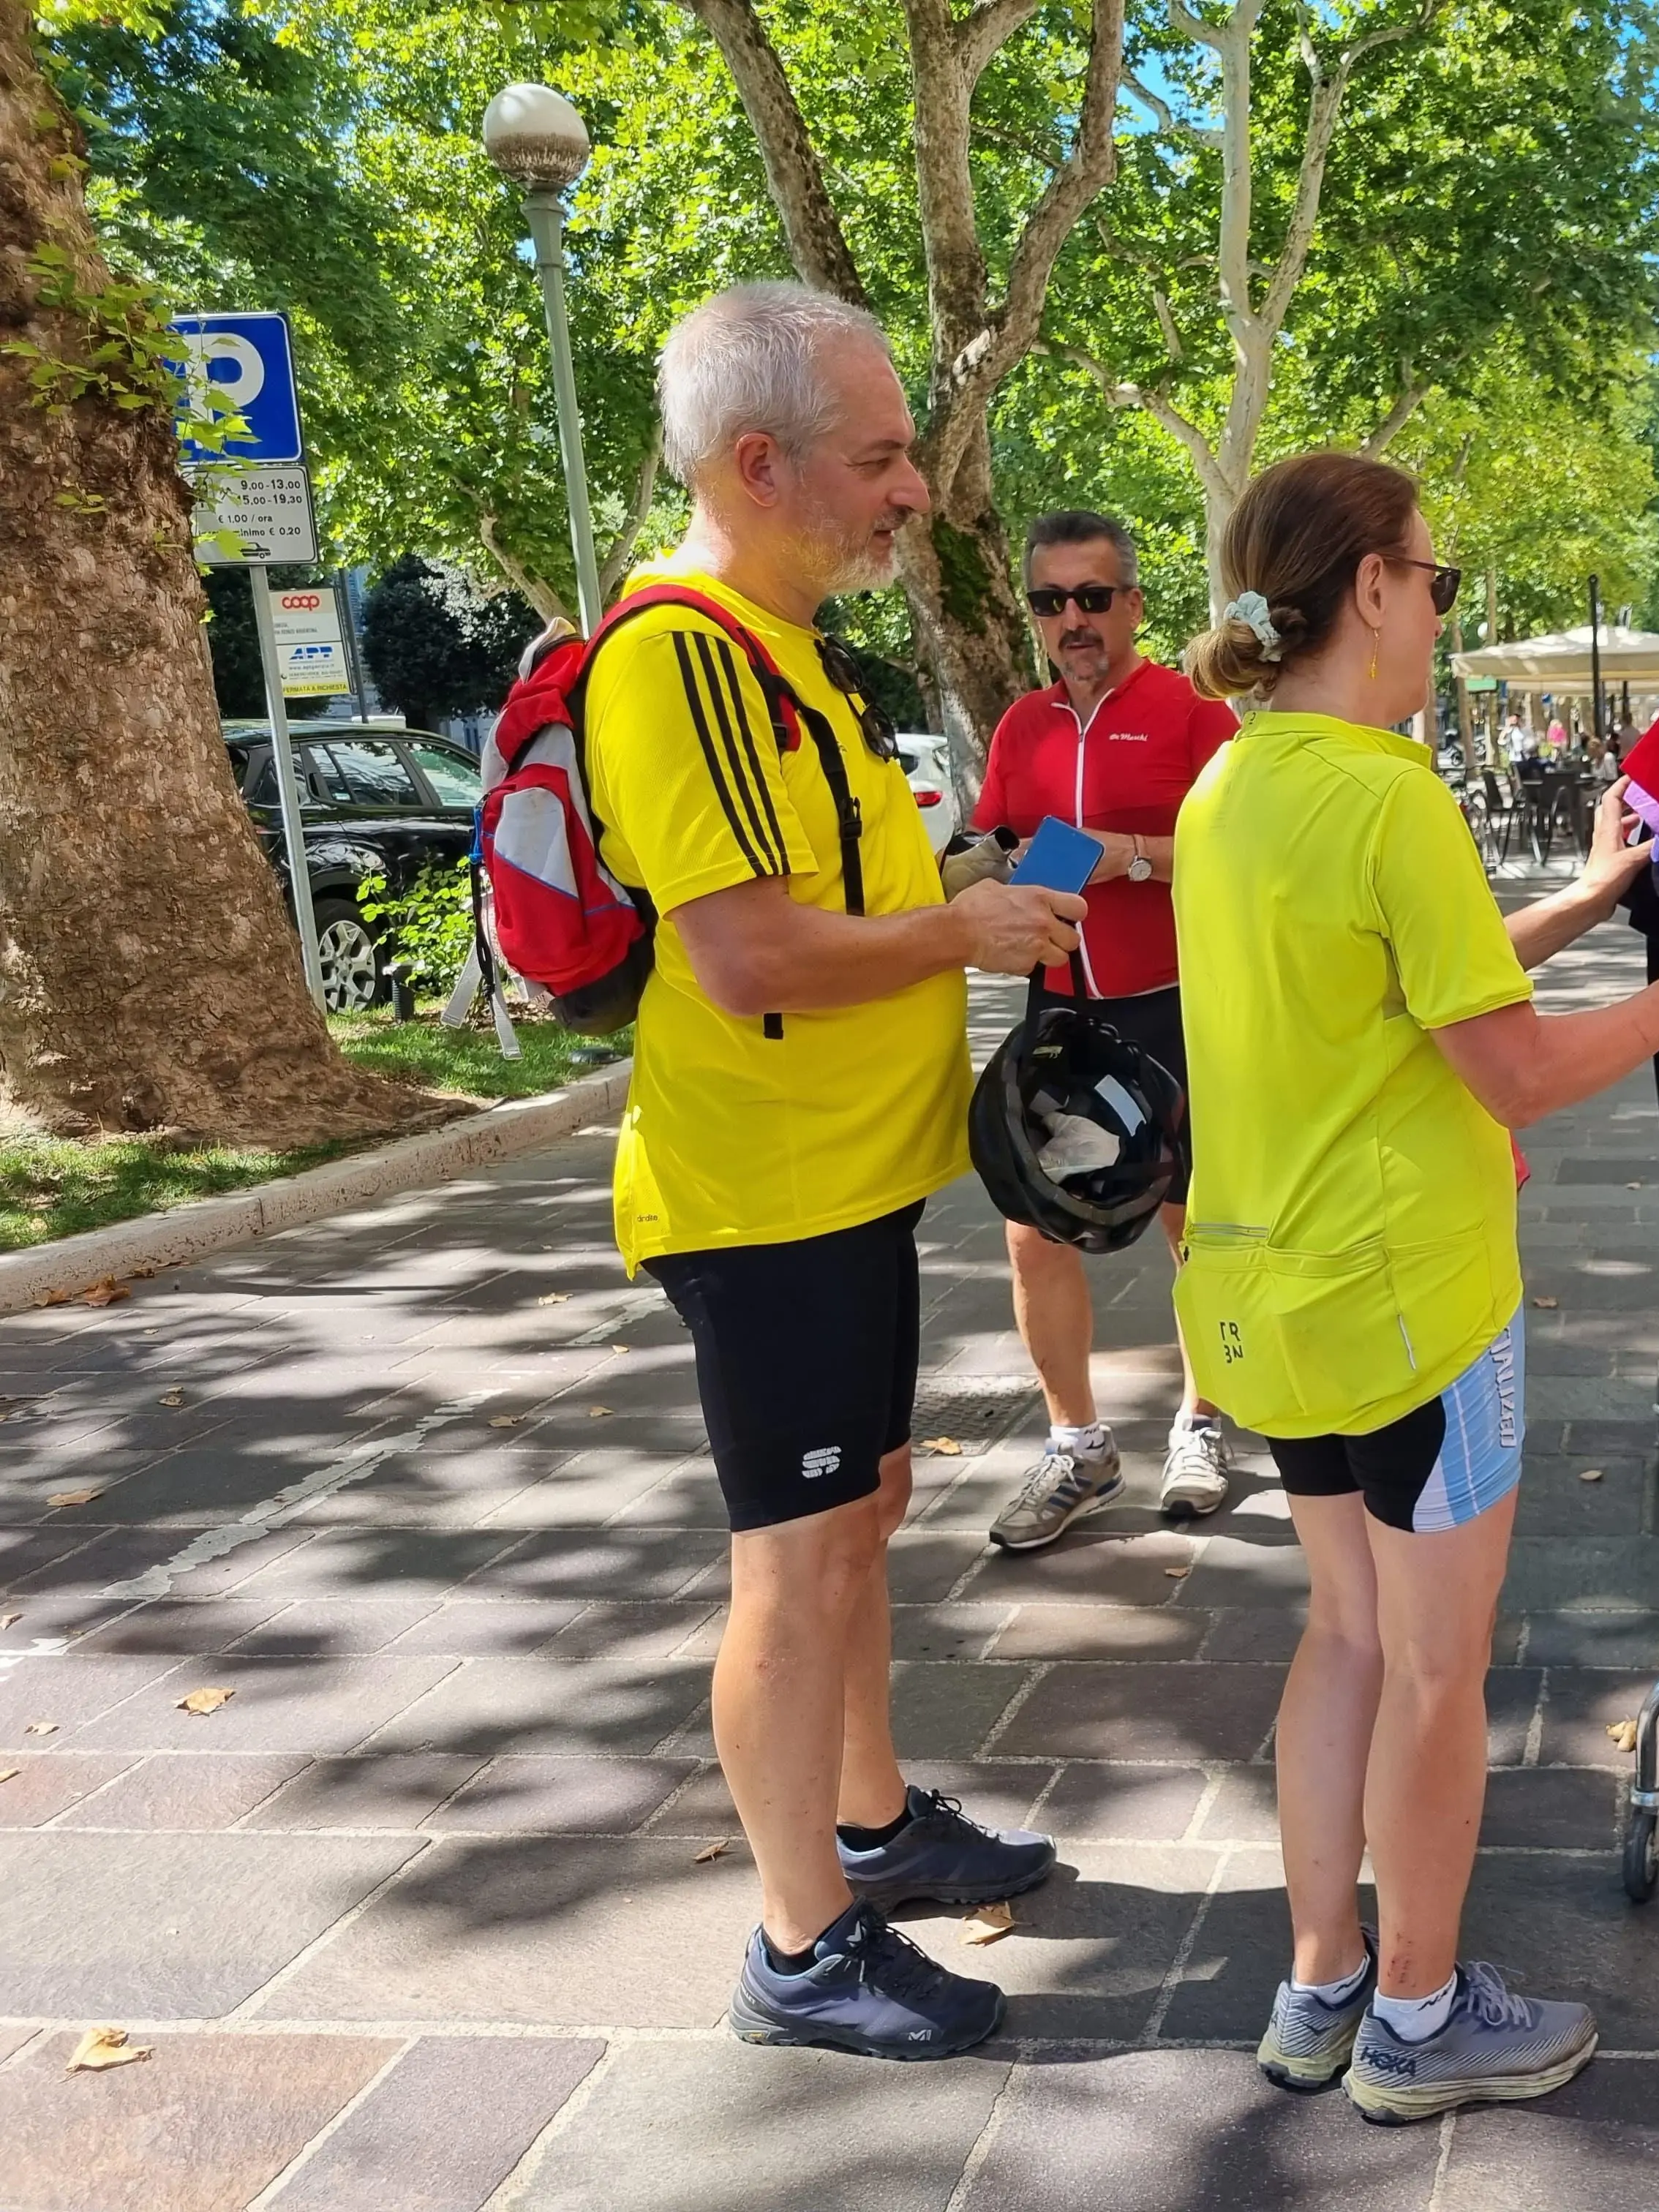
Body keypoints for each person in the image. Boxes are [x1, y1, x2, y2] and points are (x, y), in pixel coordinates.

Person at [1171, 451, 1659, 2123]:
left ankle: (1319, 1988)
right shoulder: (1386, 792)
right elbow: (1505, 1074)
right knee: (1437, 1668)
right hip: (1417, 1306)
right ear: (1366, 585)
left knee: (1346, 1638)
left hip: (1273, 1306)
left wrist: (1587, 896)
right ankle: (1422, 2019)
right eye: (1431, 577)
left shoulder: (1232, 790)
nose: (1439, 608)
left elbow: (1408, 987)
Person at [588, 282, 1086, 2060]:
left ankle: (868, 1830)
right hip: (765, 1200)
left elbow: (833, 902)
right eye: (879, 459)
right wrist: (957, 927)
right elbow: (746, 957)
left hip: (844, 1185)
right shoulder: (684, 656)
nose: (914, 494)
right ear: (757, 462)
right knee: (794, 1570)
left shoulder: (784, 653)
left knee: (859, 1518)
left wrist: (959, 888)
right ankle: (799, 1946)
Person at [971, 512, 1243, 1550]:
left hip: (1173, 1003)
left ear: (1132, 602)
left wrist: (1124, 853)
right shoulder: (1022, 727)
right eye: (1050, 602)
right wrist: (971, 876)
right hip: (1059, 1009)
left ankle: (1203, 1422)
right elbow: (1003, 845)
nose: (1072, 621)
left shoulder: (1190, 713)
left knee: (1192, 1226)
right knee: (1034, 1229)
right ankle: (1077, 1447)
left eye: (1092, 597)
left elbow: (1233, 854)